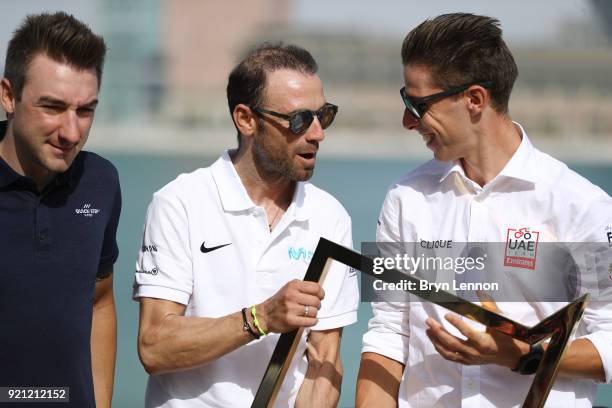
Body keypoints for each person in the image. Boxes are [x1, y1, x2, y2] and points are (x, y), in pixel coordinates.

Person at [356, 13, 612, 408]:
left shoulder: (583, 205)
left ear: (474, 99)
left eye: (417, 103)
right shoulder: (403, 197)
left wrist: (523, 354)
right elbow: (387, 333)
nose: (408, 121)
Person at [134, 43, 359, 408]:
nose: (318, 133)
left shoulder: (330, 216)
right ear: (246, 119)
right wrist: (261, 317)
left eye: (324, 115)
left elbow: (325, 360)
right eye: (300, 119)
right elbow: (154, 346)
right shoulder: (179, 202)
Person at [0, 11, 119, 408]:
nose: (71, 133)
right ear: (8, 95)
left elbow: (100, 299)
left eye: (85, 111)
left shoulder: (101, 182)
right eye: (52, 107)